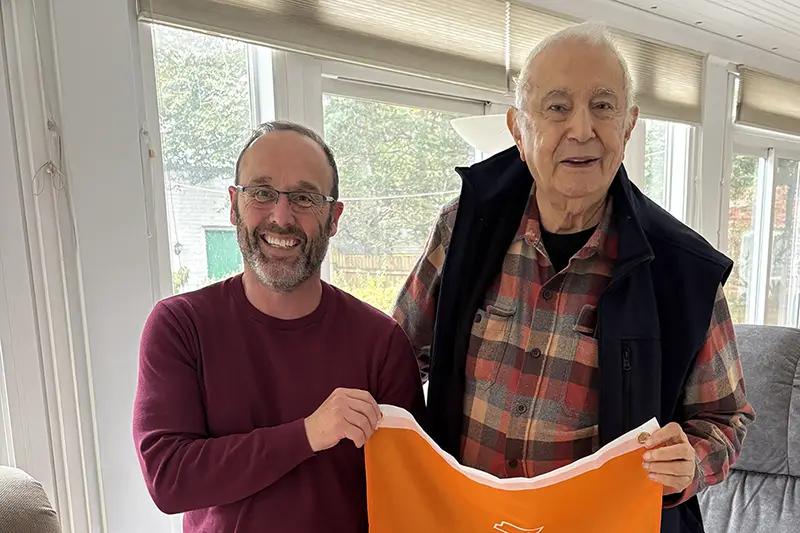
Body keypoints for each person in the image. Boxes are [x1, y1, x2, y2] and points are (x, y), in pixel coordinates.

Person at [392, 22, 754, 533]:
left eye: (603, 106)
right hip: (464, 518)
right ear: (519, 129)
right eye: (557, 107)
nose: (582, 130)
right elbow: (400, 352)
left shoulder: (685, 271)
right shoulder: (463, 228)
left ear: (628, 126)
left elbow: (726, 419)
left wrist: (691, 462)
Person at [133, 121, 425, 533]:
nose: (281, 217)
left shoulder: (381, 343)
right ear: (234, 204)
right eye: (262, 193)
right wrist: (308, 433)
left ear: (334, 216)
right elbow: (169, 479)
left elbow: (410, 494)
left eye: (305, 198)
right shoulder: (180, 326)